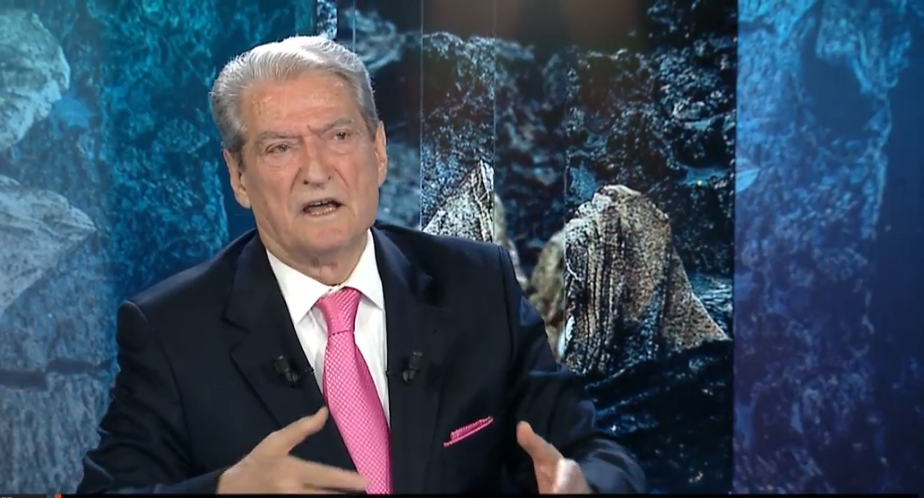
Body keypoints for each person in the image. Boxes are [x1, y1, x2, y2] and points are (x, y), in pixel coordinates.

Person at [76, 35, 645, 494]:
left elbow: (595, 454)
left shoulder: (477, 287)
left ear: (378, 151)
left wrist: (584, 486)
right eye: (280, 148)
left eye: (339, 136)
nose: (316, 170)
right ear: (239, 177)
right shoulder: (172, 332)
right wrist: (224, 491)